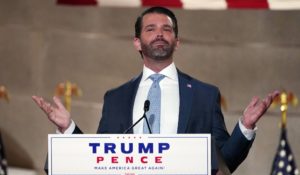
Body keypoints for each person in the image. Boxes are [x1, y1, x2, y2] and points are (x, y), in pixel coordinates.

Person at [32, 6, 279, 174]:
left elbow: (224, 163)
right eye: (150, 29)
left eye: (167, 29)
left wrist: (245, 127)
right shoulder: (116, 98)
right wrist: (68, 129)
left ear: (177, 42)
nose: (159, 33)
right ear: (137, 42)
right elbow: (100, 157)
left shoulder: (205, 95)